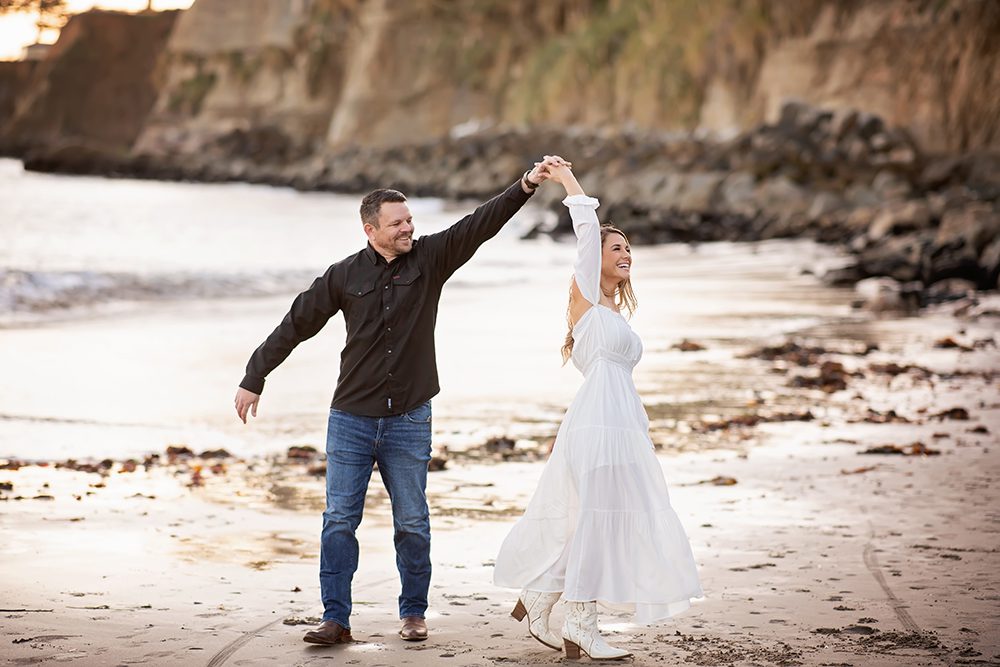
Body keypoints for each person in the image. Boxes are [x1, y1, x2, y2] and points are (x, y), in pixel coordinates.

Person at [234, 157, 565, 645]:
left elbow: (480, 224)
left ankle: (413, 613)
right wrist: (254, 375)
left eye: (410, 220)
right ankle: (336, 619)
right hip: (350, 417)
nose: (409, 228)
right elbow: (296, 323)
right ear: (371, 229)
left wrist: (527, 184)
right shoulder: (343, 275)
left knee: (412, 520)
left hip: (410, 415)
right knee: (339, 521)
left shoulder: (430, 259)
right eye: (398, 223)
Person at [494, 161, 703, 660]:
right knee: (598, 519)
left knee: (604, 518)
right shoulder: (585, 295)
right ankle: (582, 623)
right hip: (596, 423)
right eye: (617, 248)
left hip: (622, 423)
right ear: (597, 260)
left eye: (629, 248)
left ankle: (541, 595)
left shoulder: (613, 311)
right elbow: (587, 230)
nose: (625, 254)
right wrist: (565, 179)